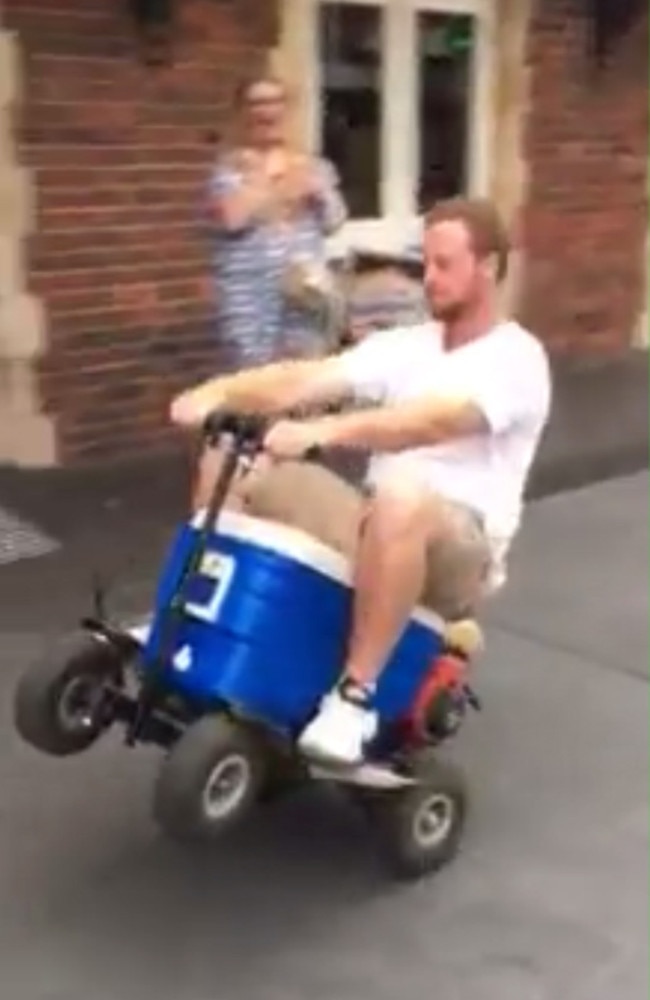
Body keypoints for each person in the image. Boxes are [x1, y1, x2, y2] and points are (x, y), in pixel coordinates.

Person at [171, 197, 552, 766]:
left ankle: (355, 696)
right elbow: (307, 378)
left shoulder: (517, 359)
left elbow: (432, 422)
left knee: (402, 495)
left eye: (445, 264)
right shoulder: (409, 345)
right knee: (234, 451)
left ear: (490, 267)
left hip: (456, 549)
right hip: (376, 520)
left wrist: (325, 433)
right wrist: (219, 393)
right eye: (426, 263)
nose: (430, 278)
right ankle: (193, 613)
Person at [207, 73, 347, 375]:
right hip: (249, 298)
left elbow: (334, 220)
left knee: (303, 381)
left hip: (304, 292)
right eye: (257, 102)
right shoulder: (228, 170)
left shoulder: (314, 166)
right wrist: (273, 182)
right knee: (252, 383)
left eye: (275, 101)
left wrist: (313, 188)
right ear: (243, 112)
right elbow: (232, 219)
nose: (267, 110)